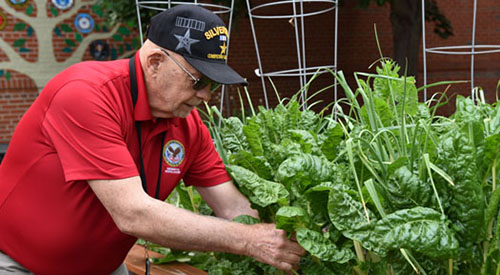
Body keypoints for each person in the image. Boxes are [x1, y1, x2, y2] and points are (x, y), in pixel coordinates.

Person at [0, 5, 305, 275]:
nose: (206, 96)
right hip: (17, 264)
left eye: (212, 84)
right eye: (198, 81)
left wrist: (298, 235)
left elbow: (233, 207)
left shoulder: (188, 126)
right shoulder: (85, 94)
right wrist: (250, 240)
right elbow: (133, 213)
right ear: (156, 61)